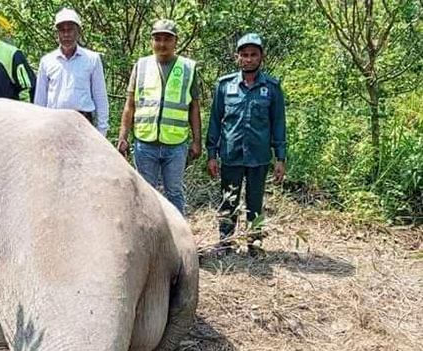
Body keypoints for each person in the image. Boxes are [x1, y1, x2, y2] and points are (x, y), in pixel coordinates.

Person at [205, 33, 287, 256]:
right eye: (244, 55)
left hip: (259, 156)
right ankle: (226, 241)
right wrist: (211, 154)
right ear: (237, 57)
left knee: (255, 201)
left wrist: (281, 157)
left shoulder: (271, 87)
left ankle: (255, 242)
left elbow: (278, 123)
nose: (249, 59)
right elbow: (215, 120)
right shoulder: (224, 86)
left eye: (253, 55)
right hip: (231, 154)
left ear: (262, 57)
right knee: (228, 200)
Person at [117, 19, 202, 215]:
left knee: (174, 192)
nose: (162, 44)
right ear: (152, 41)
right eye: (158, 39)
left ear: (175, 42)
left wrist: (197, 140)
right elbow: (130, 105)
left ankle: (178, 242)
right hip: (145, 142)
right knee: (146, 193)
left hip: (176, 143)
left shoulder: (188, 68)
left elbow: (194, 108)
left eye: (167, 39)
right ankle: (149, 240)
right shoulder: (141, 66)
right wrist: (123, 137)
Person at [34, 8, 109, 136]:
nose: (66, 34)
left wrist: (102, 130)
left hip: (83, 123)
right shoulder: (47, 61)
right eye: (62, 30)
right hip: (54, 124)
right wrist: (38, 129)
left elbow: (100, 96)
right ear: (57, 34)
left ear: (78, 32)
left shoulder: (92, 59)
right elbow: (40, 100)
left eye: (70, 30)